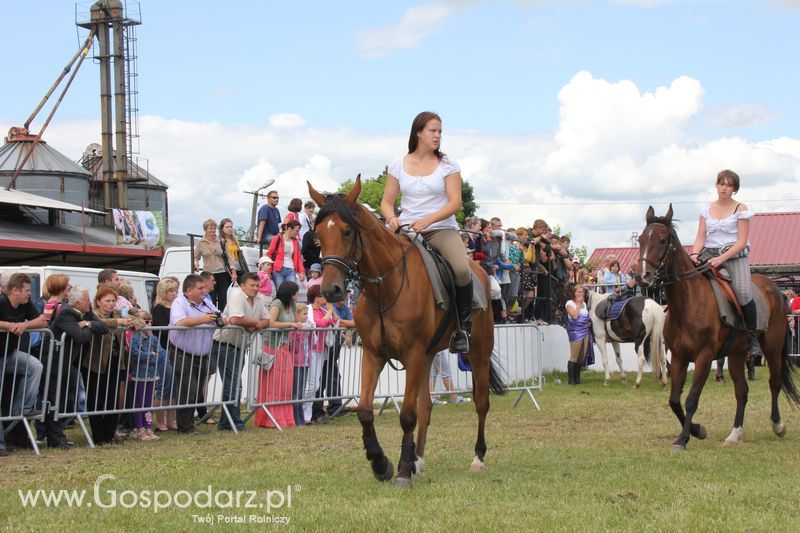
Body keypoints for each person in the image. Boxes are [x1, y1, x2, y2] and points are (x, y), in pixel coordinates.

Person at [381, 111, 472, 353]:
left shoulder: (448, 164)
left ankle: (463, 328)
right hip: (406, 231)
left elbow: (455, 203)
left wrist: (428, 220)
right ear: (418, 133)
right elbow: (386, 202)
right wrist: (391, 219)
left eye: (440, 131)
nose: (438, 135)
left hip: (440, 229)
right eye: (433, 131)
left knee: (462, 270)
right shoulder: (397, 164)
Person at [691, 169, 763, 359]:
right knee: (688, 281)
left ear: (734, 189)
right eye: (721, 183)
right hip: (709, 253)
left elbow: (741, 241)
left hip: (734, 255)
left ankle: (752, 338)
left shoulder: (741, 209)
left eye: (728, 185)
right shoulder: (706, 210)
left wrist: (721, 259)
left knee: (743, 292)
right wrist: (694, 253)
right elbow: (700, 237)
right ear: (716, 185)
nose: (724, 188)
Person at [49, 286, 110, 448]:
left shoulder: (86, 314)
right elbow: (80, 336)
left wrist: (87, 323)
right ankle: (54, 438)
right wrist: (87, 327)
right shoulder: (66, 313)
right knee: (54, 400)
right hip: (55, 362)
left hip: (69, 363)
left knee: (64, 399)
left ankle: (57, 435)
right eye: (86, 300)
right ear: (77, 303)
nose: (89, 303)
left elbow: (103, 328)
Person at [213, 272, 270, 431]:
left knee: (234, 384)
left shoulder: (258, 300)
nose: (256, 288)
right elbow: (235, 319)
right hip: (225, 345)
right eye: (252, 285)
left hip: (239, 346)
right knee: (233, 384)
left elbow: (267, 320)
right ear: (242, 285)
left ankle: (226, 422)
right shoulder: (237, 296)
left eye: (258, 285)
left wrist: (257, 324)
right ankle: (234, 421)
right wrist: (256, 322)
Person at [168, 274, 223, 435]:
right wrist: (203, 319)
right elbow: (180, 322)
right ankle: (185, 427)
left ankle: (188, 424)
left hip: (202, 355)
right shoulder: (180, 303)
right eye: (200, 289)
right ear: (189, 290)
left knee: (197, 390)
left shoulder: (207, 303)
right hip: (182, 354)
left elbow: (218, 316)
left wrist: (222, 319)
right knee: (188, 390)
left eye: (204, 288)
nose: (203, 291)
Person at [81, 287, 134, 445]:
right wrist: (118, 322)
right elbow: (100, 324)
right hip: (94, 363)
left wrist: (132, 321)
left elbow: (138, 319)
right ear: (98, 301)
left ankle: (109, 434)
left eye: (113, 301)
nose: (111, 304)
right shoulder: (93, 315)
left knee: (112, 399)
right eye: (107, 301)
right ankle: (98, 436)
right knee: (95, 399)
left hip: (116, 361)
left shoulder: (119, 313)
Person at [254, 281, 302, 429]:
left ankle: (284, 417)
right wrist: (290, 325)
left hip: (285, 347)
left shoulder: (292, 305)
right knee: (273, 383)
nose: (298, 295)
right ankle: (269, 417)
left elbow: (296, 321)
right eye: (296, 292)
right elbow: (271, 322)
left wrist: (298, 322)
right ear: (290, 293)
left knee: (285, 383)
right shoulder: (277, 303)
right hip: (273, 347)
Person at [0, 273, 45, 421]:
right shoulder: (1, 301)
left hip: (9, 353)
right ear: (15, 290)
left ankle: (20, 410)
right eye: (27, 290)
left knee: (35, 366)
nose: (30, 293)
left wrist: (24, 324)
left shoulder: (25, 304)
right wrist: (9, 326)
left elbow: (42, 321)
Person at [304, 285, 337, 423]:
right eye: (323, 296)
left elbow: (335, 321)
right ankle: (303, 413)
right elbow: (321, 324)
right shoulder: (309, 310)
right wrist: (329, 310)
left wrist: (330, 310)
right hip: (310, 350)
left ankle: (307, 415)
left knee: (315, 385)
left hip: (320, 350)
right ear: (317, 298)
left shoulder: (323, 310)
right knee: (310, 385)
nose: (325, 299)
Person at [150, 277, 178, 431]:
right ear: (164, 292)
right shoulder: (158, 308)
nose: (174, 294)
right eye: (171, 291)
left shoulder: (176, 307)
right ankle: (160, 420)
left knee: (174, 385)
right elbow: (161, 330)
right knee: (164, 385)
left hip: (175, 348)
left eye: (175, 291)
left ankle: (171, 420)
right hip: (163, 348)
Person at [193, 219, 231, 311]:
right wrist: (196, 264)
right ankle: (211, 318)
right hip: (208, 274)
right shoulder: (201, 243)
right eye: (210, 228)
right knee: (210, 298)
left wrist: (233, 271)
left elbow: (229, 257)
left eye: (214, 228)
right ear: (205, 230)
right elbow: (195, 257)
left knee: (223, 298)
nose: (213, 230)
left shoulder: (221, 241)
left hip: (222, 272)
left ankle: (222, 317)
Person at [289, 303, 312, 427]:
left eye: (307, 314)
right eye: (304, 314)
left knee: (301, 391)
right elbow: (293, 346)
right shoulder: (294, 330)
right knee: (296, 392)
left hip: (305, 362)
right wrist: (299, 332)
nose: (306, 316)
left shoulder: (305, 328)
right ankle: (296, 419)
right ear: (296, 315)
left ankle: (300, 418)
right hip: (297, 363)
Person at [565, 285, 592, 386]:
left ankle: (577, 378)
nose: (580, 294)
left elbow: (586, 316)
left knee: (581, 355)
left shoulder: (584, 304)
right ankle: (571, 380)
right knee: (574, 356)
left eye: (582, 292)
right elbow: (575, 316)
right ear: (573, 293)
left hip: (585, 330)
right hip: (575, 331)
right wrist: (579, 303)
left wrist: (588, 321)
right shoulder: (570, 303)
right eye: (578, 292)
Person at [266, 220, 306, 288]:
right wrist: (268, 271)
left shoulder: (295, 241)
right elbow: (269, 254)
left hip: (291, 269)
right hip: (278, 270)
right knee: (280, 291)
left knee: (293, 291)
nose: (297, 233)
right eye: (296, 231)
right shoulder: (277, 238)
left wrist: (301, 272)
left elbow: (299, 257)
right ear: (289, 229)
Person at [220, 217, 249, 284]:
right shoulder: (221, 241)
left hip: (239, 266)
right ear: (222, 229)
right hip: (229, 267)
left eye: (231, 227)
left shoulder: (234, 240)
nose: (229, 229)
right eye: (227, 227)